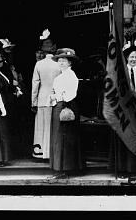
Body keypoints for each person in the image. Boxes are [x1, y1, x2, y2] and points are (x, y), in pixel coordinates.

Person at [109, 40, 136, 178]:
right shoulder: (120, 73)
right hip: (125, 112)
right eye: (131, 57)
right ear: (127, 58)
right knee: (125, 139)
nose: (134, 59)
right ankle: (123, 170)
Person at [49, 47, 84, 177]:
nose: (62, 62)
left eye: (64, 60)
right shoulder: (61, 75)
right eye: (60, 60)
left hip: (66, 107)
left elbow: (69, 95)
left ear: (70, 63)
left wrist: (56, 97)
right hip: (59, 106)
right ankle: (61, 167)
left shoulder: (71, 75)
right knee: (60, 137)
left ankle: (65, 168)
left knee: (64, 138)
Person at [31, 29, 61, 160]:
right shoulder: (59, 65)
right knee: (52, 127)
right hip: (54, 99)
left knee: (41, 127)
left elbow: (35, 85)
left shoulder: (38, 64)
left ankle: (40, 152)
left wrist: (33, 102)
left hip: (42, 99)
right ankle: (51, 152)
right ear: (53, 49)